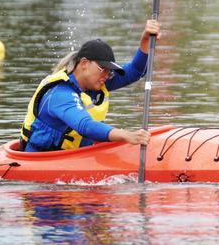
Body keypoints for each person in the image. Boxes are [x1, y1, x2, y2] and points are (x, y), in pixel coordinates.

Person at [19, 20, 160, 152]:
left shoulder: (97, 83)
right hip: (43, 162)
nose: (107, 75)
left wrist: (145, 40)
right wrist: (126, 135)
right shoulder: (60, 93)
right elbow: (85, 126)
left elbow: (135, 71)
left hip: (74, 156)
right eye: (102, 68)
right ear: (84, 63)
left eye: (109, 71)